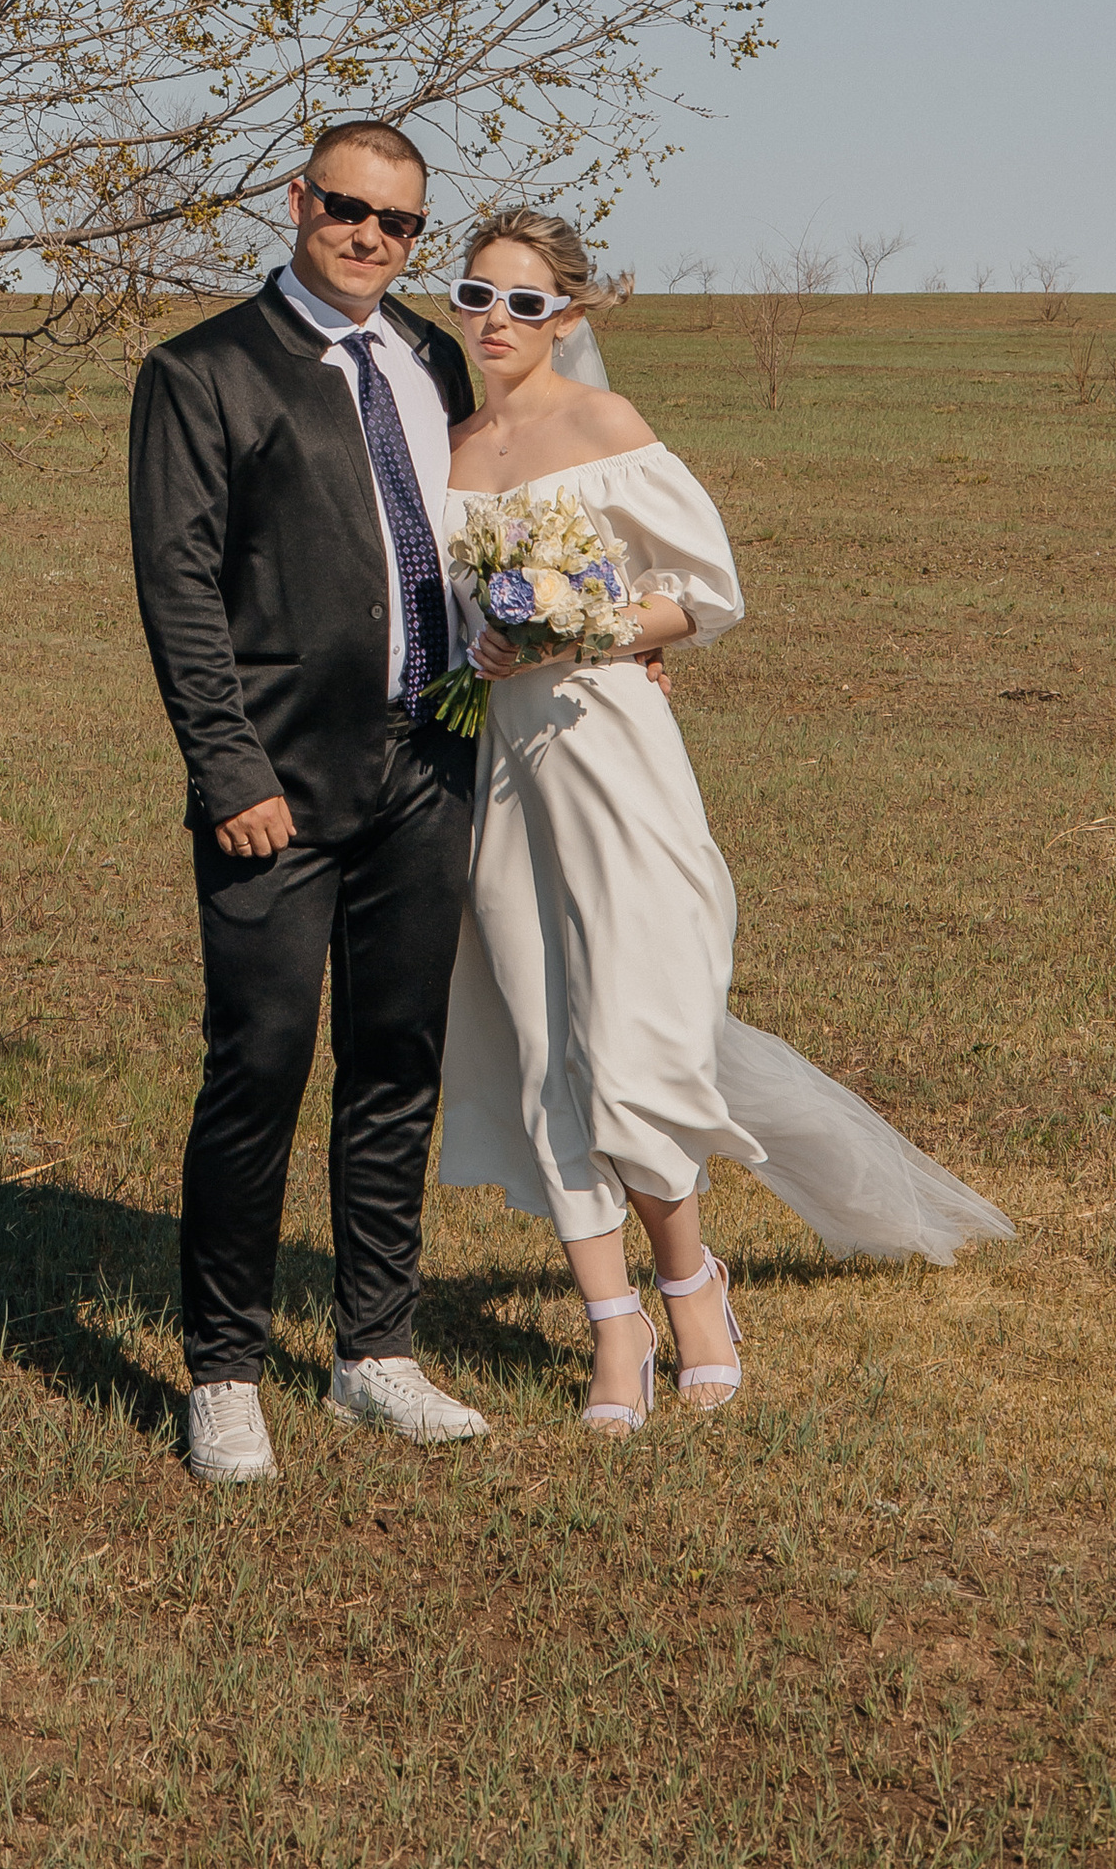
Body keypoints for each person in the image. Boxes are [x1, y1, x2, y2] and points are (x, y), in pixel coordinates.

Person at [437, 207, 1014, 1432]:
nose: (496, 320)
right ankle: (612, 1332)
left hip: (617, 762)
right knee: (541, 1044)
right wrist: (485, 643)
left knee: (637, 1044)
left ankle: (694, 1288)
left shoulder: (606, 429)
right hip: (506, 778)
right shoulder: (451, 448)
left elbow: (703, 595)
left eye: (525, 302)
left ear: (571, 316)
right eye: (476, 295)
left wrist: (579, 627)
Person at [129, 117, 492, 1484]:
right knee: (260, 1069)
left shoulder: (429, 359)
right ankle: (223, 1373)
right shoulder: (202, 372)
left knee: (396, 1062)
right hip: (275, 787)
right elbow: (178, 587)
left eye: (398, 224)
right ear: (297, 199)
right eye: (347, 209)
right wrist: (227, 772)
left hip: (426, 769)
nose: (369, 239)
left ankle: (373, 1352)